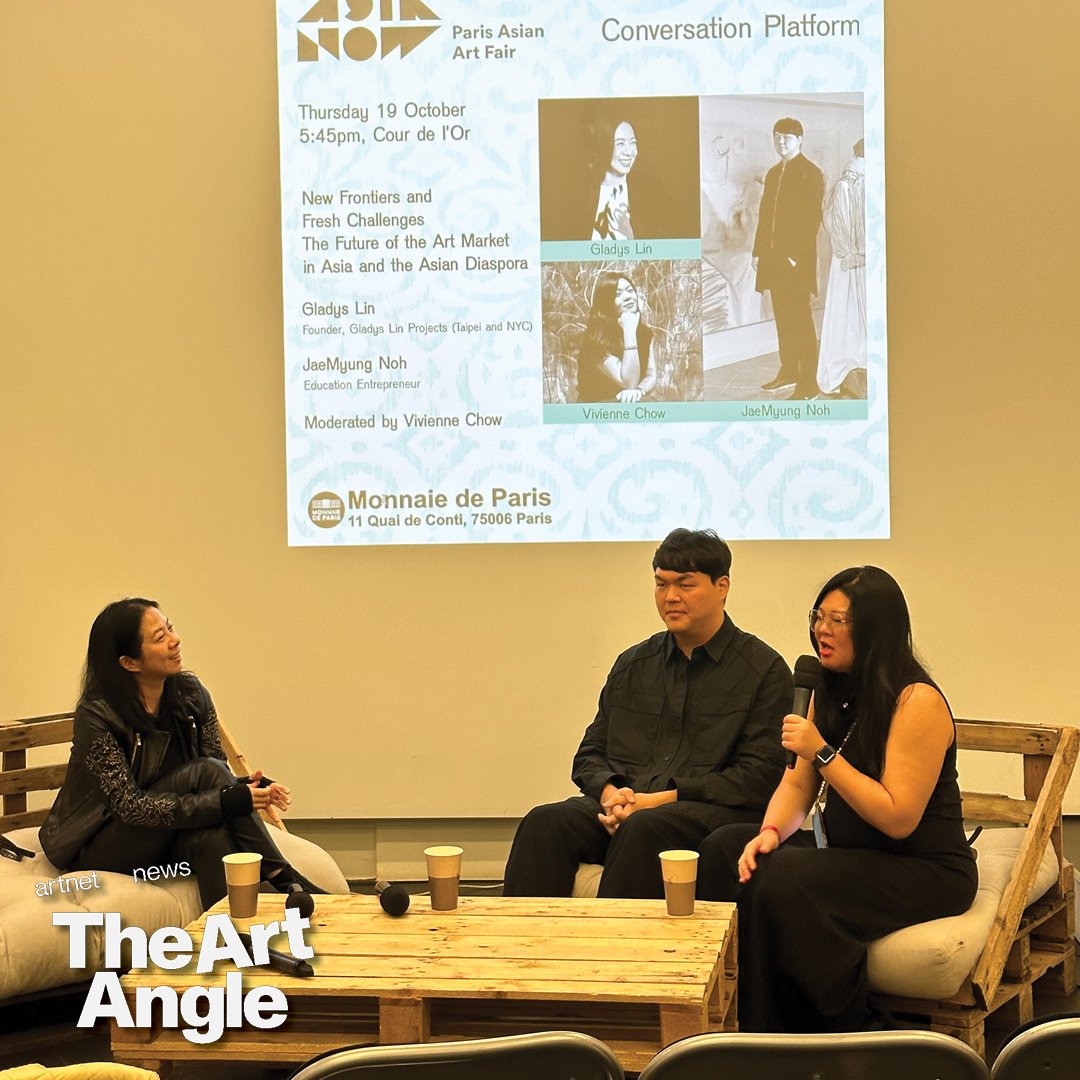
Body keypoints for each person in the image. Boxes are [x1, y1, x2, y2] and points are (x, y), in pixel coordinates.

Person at [696, 567, 978, 1033]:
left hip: (924, 868)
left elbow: (897, 818)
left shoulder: (916, 700)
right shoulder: (825, 687)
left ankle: (821, 1031)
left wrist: (822, 752)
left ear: (875, 629)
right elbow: (795, 786)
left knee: (788, 876)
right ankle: (726, 1022)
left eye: (838, 620)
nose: (821, 631)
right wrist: (770, 833)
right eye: (818, 617)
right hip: (854, 856)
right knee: (726, 847)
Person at [503, 529, 792, 898]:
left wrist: (649, 803)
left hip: (707, 816)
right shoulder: (634, 664)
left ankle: (617, 953)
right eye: (661, 585)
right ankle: (526, 951)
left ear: (722, 587)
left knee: (645, 828)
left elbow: (756, 778)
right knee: (545, 822)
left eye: (685, 585)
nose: (671, 597)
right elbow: (590, 755)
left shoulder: (763, 670)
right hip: (624, 808)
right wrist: (612, 795)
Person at [40, 598, 321, 911]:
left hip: (164, 830)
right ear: (129, 662)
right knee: (209, 777)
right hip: (101, 841)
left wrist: (248, 789)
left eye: (169, 627)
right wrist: (230, 798)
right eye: (159, 638)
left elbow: (217, 774)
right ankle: (284, 877)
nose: (175, 640)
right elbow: (131, 807)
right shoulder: (97, 716)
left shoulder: (190, 694)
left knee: (214, 838)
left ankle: (232, 943)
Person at [753, 117, 825, 401]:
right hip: (772, 259)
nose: (781, 142)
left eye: (788, 137)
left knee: (800, 320)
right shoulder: (773, 173)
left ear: (800, 140)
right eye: (777, 136)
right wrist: (758, 253)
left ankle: (808, 383)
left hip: (795, 261)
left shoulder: (811, 172)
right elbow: (765, 217)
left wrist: (794, 256)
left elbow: (811, 219)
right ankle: (789, 371)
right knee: (782, 317)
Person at [817, 139, 867, 398]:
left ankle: (856, 367)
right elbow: (837, 227)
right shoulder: (849, 185)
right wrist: (854, 254)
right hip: (853, 261)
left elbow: (830, 224)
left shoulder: (848, 184)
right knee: (852, 315)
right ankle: (851, 370)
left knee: (850, 315)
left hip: (851, 261)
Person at [575, 271, 657, 403]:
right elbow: (628, 382)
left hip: (628, 402)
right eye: (618, 294)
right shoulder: (595, 337)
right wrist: (629, 330)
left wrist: (639, 391)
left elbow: (650, 375)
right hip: (596, 406)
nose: (627, 297)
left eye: (630, 290)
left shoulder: (644, 333)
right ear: (606, 303)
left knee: (649, 402)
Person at [591, 119, 639, 240]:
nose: (629, 152)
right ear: (604, 146)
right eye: (620, 143)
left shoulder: (648, 195)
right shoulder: (582, 195)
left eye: (633, 142)